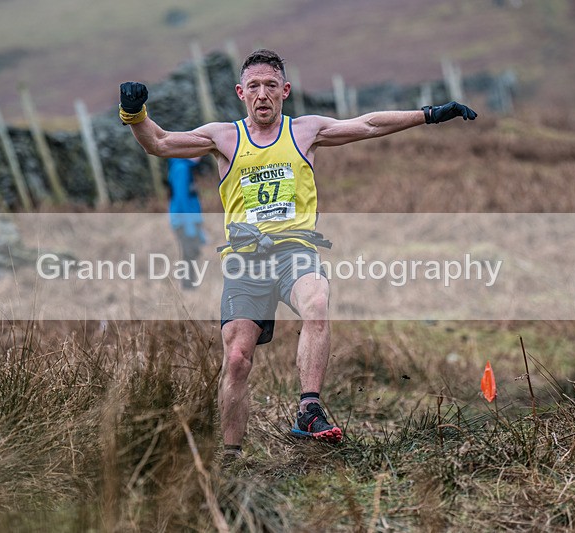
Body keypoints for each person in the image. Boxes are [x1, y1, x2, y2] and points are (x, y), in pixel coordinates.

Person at [119, 49, 477, 458]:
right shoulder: (224, 137)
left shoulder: (306, 131)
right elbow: (160, 143)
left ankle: (309, 407)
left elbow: (368, 124)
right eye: (254, 86)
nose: (263, 94)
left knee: (318, 303)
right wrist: (134, 113)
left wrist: (429, 114)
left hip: (296, 250)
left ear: (285, 91)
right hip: (245, 260)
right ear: (241, 92)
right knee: (237, 359)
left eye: (271, 85)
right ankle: (232, 456)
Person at [165, 157, 205, 289]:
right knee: (189, 252)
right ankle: (188, 286)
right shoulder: (181, 169)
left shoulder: (185, 167)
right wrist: (190, 228)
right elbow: (182, 199)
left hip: (188, 220)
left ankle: (189, 285)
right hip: (184, 221)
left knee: (192, 252)